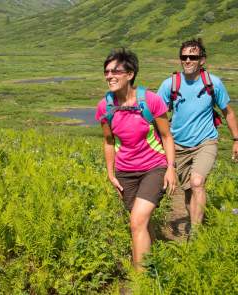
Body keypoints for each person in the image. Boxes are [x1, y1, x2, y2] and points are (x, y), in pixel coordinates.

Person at [95, 48, 176, 270]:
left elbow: (167, 136)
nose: (109, 76)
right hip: (125, 173)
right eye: (106, 71)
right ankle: (152, 262)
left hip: (154, 167)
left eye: (115, 71)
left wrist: (171, 168)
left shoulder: (150, 100)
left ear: (130, 74)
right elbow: (109, 142)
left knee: (137, 222)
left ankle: (140, 283)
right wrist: (110, 174)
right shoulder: (105, 107)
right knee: (140, 224)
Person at [157, 38, 238, 232]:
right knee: (188, 192)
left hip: (206, 141)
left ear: (202, 59)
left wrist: (236, 139)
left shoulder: (213, 83)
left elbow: (229, 112)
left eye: (192, 57)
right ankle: (197, 228)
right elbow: (155, 113)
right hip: (178, 146)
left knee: (197, 182)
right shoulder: (170, 84)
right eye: (183, 57)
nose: (187, 60)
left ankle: (196, 236)